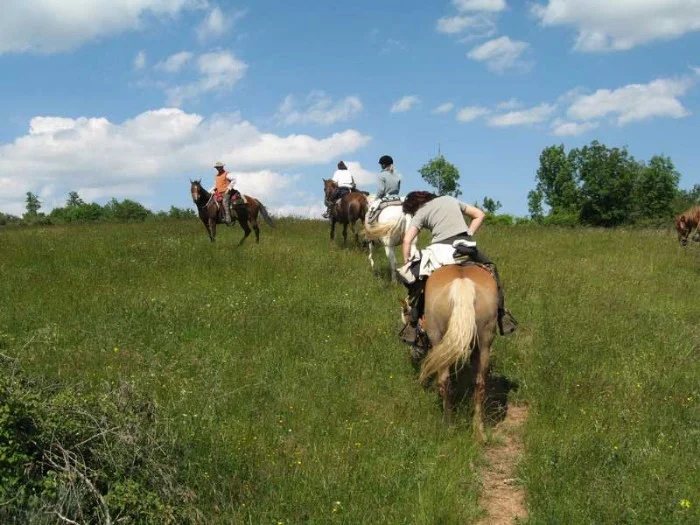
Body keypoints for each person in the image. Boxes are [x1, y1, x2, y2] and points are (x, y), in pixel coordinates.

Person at [398, 191, 517, 341]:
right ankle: (501, 316)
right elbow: (479, 214)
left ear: (414, 206)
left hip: (440, 251)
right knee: (491, 268)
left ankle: (413, 325)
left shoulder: (420, 212)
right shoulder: (450, 199)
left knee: (418, 283)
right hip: (465, 246)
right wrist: (469, 233)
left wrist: (407, 263)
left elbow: (407, 241)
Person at [367, 155, 401, 221]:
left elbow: (381, 190)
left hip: (386, 198)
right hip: (397, 199)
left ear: (383, 165)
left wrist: (376, 199)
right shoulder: (397, 175)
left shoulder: (381, 175)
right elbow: (398, 189)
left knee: (370, 215)